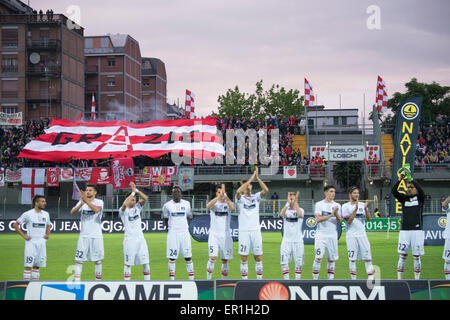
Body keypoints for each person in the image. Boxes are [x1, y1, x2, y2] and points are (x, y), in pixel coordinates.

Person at [391, 166, 425, 280]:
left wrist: (411, 179)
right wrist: (400, 179)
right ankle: (399, 279)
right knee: (402, 255)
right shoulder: (404, 198)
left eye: (411, 187)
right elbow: (393, 191)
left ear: (415, 188)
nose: (409, 189)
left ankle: (417, 279)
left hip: (417, 231)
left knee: (416, 256)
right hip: (404, 231)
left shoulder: (420, 199)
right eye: (408, 187)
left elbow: (422, 191)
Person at [235, 166, 269, 279]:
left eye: (249, 185)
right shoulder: (240, 199)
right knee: (244, 258)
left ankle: (259, 280)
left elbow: (266, 190)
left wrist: (257, 178)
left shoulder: (256, 197)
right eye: (245, 185)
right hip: (244, 231)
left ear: (251, 186)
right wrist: (250, 179)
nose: (247, 187)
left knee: (258, 257)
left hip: (255, 231)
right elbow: (238, 192)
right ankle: (244, 281)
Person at [70, 184, 104, 281]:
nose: (87, 191)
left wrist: (86, 200)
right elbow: (72, 212)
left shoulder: (99, 202)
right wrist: (81, 203)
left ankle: (98, 282)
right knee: (79, 260)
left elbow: (96, 210)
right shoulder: (82, 202)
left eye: (90, 190)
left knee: (97, 260)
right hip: (83, 236)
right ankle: (77, 281)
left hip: (96, 236)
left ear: (95, 192)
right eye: (86, 190)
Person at [13, 195, 51, 281]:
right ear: (36, 203)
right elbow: (15, 225)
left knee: (37, 266)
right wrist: (24, 236)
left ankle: (34, 286)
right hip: (31, 243)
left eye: (45, 201)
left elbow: (48, 224)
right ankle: (25, 286)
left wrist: (48, 234)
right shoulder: (27, 214)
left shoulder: (46, 214)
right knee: (28, 265)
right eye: (42, 201)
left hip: (41, 243)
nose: (44, 203)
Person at [118, 182, 150, 280]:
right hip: (129, 240)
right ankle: (126, 285)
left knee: (145, 263)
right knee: (128, 264)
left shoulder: (137, 208)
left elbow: (145, 198)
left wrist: (136, 191)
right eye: (132, 199)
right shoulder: (123, 211)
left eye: (135, 199)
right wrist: (132, 193)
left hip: (141, 239)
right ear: (127, 200)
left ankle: (148, 283)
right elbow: (124, 205)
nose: (134, 200)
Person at [341, 187, 375, 280]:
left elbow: (369, 219)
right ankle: (353, 280)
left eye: (358, 193)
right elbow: (348, 222)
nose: (357, 195)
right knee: (352, 259)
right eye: (355, 193)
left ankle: (371, 279)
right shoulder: (345, 206)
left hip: (362, 235)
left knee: (368, 257)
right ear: (350, 194)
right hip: (351, 235)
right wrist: (355, 209)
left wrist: (366, 209)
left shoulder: (362, 205)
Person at [162, 185, 194, 280]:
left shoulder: (187, 204)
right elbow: (165, 218)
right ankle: (172, 280)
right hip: (173, 233)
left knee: (188, 256)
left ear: (181, 193)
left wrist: (185, 226)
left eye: (178, 192)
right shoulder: (167, 205)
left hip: (184, 232)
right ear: (172, 194)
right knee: (172, 257)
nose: (176, 193)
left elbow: (188, 216)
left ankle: (191, 279)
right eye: (174, 192)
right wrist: (169, 228)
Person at [312, 184, 342, 280]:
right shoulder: (319, 204)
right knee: (318, 258)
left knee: (331, 259)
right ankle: (315, 280)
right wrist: (331, 214)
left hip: (332, 236)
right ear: (325, 193)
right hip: (321, 235)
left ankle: (330, 280)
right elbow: (318, 219)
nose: (333, 194)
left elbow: (340, 221)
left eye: (334, 192)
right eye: (331, 191)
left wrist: (336, 213)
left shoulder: (337, 205)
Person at [205, 184, 235, 280]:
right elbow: (208, 206)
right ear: (216, 193)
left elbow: (233, 208)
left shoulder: (229, 203)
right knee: (212, 258)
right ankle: (208, 280)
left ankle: (223, 281)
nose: (220, 194)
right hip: (214, 235)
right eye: (218, 192)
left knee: (224, 260)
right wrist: (218, 197)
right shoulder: (214, 204)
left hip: (225, 236)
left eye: (221, 192)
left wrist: (225, 196)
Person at [278, 191, 304, 280]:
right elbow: (281, 215)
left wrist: (295, 202)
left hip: (298, 240)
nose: (291, 198)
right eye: (290, 196)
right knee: (284, 263)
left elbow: (300, 215)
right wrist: (287, 203)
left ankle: (297, 281)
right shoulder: (285, 210)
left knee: (299, 263)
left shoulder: (301, 210)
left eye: (293, 196)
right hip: (286, 240)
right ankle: (286, 281)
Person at [441, 195, 450, 279]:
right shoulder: (449, 205)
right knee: (447, 260)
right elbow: (444, 205)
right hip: (449, 236)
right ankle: (447, 282)